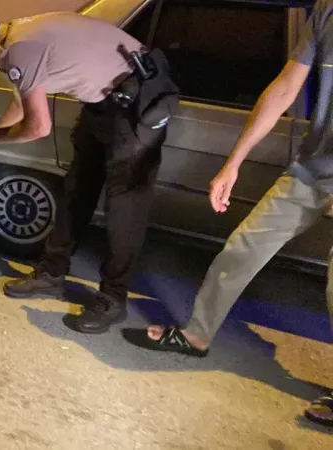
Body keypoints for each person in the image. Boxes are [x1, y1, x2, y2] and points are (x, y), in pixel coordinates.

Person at [123, 0, 333, 428]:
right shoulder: (326, 11)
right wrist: (233, 162)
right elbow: (284, 88)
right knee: (242, 248)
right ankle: (196, 335)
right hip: (312, 169)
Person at [0, 10, 174, 334]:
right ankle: (51, 273)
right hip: (106, 102)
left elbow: (38, 126)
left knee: (125, 210)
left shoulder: (20, 50)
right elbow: (23, 101)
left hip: (136, 107)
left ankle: (113, 298)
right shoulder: (16, 34)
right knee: (76, 189)